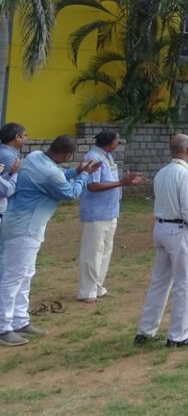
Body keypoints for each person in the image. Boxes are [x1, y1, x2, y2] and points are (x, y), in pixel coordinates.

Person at [0, 136, 99, 347]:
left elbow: (60, 176)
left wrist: (75, 172)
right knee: (13, 277)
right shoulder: (50, 173)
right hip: (25, 228)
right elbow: (70, 193)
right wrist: (83, 175)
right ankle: (3, 326)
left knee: (25, 274)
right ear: (67, 155)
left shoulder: (36, 157)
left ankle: (19, 320)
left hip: (22, 225)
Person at [134, 134, 188, 348]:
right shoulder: (185, 175)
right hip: (180, 230)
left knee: (160, 281)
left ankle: (145, 330)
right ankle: (178, 335)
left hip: (162, 228)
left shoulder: (162, 173)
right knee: (184, 283)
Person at [77, 129, 146, 303]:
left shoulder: (107, 156)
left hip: (109, 211)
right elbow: (92, 185)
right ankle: (87, 291)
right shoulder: (93, 157)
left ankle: (98, 286)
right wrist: (121, 182)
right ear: (110, 142)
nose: (118, 143)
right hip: (96, 212)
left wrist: (125, 183)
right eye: (117, 140)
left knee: (105, 250)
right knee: (92, 252)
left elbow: (111, 182)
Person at [0, 123, 27, 230]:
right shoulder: (8, 156)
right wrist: (14, 174)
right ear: (17, 137)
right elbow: (6, 189)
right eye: (25, 135)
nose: (26, 138)